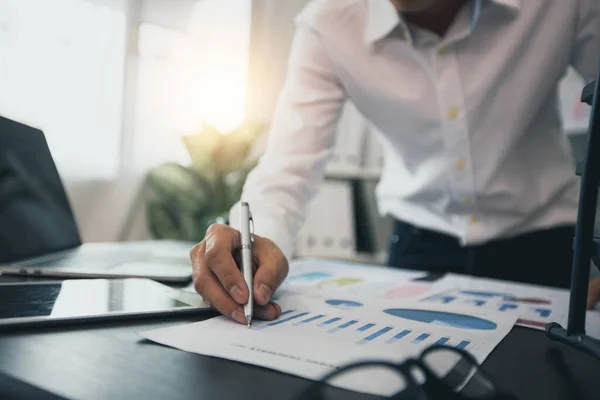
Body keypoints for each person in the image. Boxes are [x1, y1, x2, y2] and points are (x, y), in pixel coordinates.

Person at [190, 0, 600, 325]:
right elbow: (286, 169)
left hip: (550, 247)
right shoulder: (328, 22)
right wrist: (255, 244)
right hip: (418, 252)